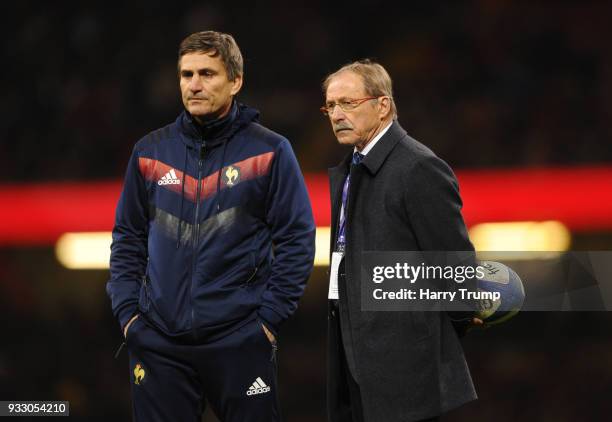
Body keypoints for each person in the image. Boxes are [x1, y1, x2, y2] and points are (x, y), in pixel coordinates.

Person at [106, 30, 315, 422]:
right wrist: (129, 315)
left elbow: (297, 239)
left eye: (207, 73)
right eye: (186, 75)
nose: (195, 85)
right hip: (158, 341)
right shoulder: (150, 151)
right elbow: (128, 237)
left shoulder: (270, 151)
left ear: (235, 81)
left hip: (240, 340)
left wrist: (268, 320)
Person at [321, 59, 481, 422]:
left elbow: (455, 268)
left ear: (383, 105)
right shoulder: (351, 167)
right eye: (330, 105)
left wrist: (423, 338)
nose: (336, 114)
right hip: (357, 356)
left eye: (348, 103)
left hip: (406, 370)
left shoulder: (418, 166)